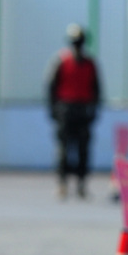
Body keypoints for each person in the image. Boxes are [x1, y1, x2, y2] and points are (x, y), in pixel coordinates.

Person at [45, 24, 102, 200]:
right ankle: (62, 183)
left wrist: (94, 110)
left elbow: (96, 89)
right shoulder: (61, 61)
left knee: (83, 149)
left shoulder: (90, 63)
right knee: (63, 148)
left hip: (83, 109)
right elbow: (51, 87)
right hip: (66, 109)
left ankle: (81, 184)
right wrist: (53, 110)